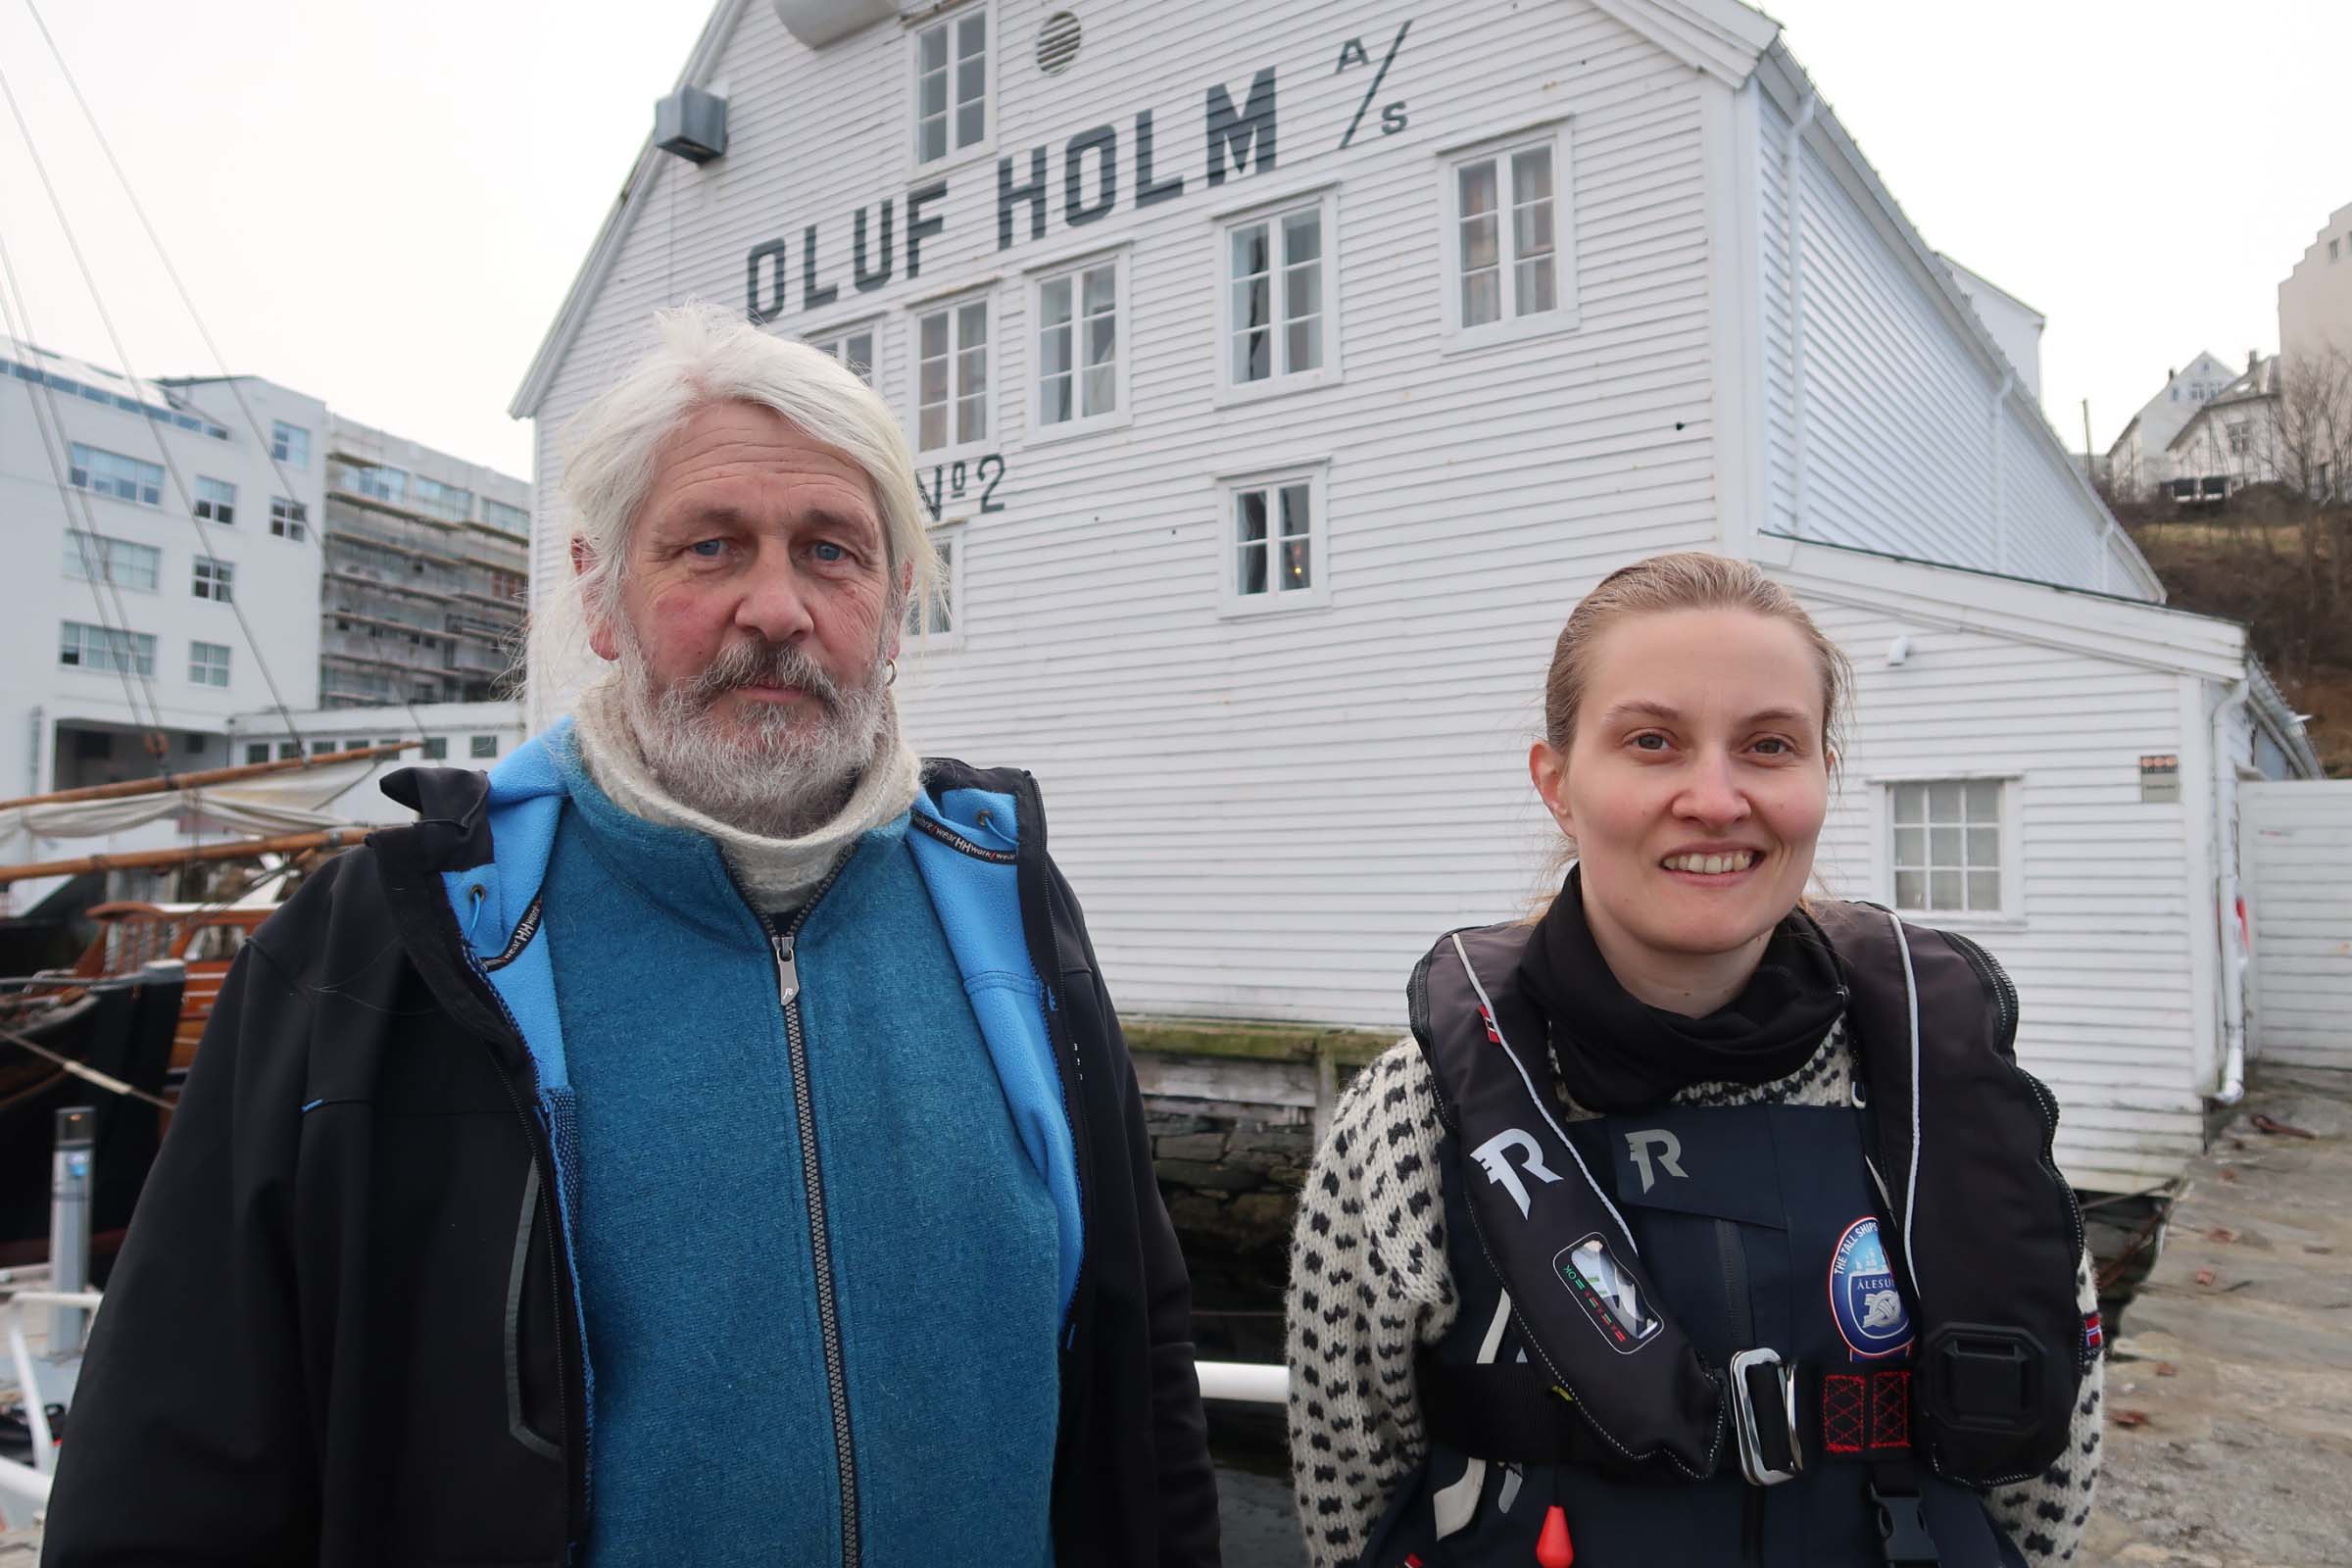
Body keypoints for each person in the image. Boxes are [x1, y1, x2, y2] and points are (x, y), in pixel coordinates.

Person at [44, 304, 1220, 1568]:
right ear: (600, 598)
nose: (776, 606)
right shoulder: (390, 950)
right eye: (710, 547)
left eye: (832, 551)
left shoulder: (1008, 909)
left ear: (891, 614)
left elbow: (1138, 1373)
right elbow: (181, 1458)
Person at [1285, 553, 2102, 1568]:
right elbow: (1345, 1483)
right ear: (1558, 781)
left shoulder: (1951, 1088)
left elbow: (2048, 1483)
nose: (1716, 799)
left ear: (1821, 778)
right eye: (1652, 741)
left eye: (1768, 745)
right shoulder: (1415, 1114)